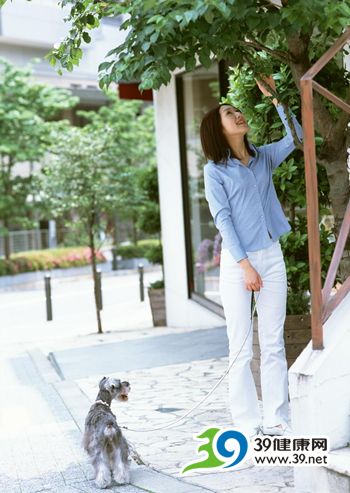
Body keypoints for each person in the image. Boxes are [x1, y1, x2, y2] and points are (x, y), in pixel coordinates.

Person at [200, 76, 303, 438]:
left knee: (272, 342)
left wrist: (276, 98)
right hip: (237, 263)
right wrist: (245, 266)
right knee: (241, 346)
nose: (238, 114)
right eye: (229, 113)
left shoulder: (263, 158)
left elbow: (298, 138)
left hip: (271, 255)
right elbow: (222, 219)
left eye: (238, 110)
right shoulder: (214, 171)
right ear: (218, 128)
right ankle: (247, 424)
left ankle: (278, 418)